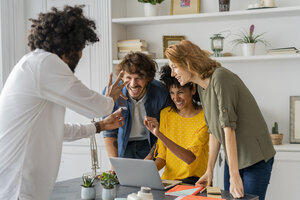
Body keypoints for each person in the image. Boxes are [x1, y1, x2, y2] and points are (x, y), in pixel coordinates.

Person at [0, 6, 127, 200]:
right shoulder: (46, 63)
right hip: (18, 189)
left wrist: (99, 126)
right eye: (82, 48)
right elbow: (99, 106)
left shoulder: (34, 64)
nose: (81, 55)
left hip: (23, 188)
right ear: (71, 46)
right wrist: (111, 97)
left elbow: (57, 130)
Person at [165, 40, 276, 199]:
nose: (172, 74)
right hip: (234, 159)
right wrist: (209, 170)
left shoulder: (220, 77)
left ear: (188, 62)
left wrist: (234, 175)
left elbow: (228, 127)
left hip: (255, 158)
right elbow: (213, 130)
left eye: (174, 67)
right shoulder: (202, 87)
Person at [144, 65, 209, 185]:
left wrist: (159, 134)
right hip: (168, 182)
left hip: (195, 182)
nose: (176, 98)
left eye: (180, 92)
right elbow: (162, 157)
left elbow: (190, 158)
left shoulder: (205, 117)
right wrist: (143, 171)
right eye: (172, 93)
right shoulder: (166, 114)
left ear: (193, 90)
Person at [102, 52, 169, 160]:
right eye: (128, 77)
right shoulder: (112, 92)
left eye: (139, 78)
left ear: (148, 78)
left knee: (146, 175)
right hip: (123, 144)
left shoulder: (161, 93)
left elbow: (165, 132)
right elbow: (109, 131)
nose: (133, 84)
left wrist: (148, 161)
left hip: (149, 143)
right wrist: (114, 164)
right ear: (122, 77)